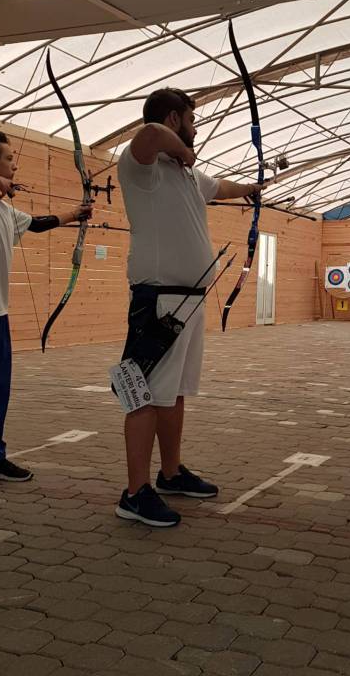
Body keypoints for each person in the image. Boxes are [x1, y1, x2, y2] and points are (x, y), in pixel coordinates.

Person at [115, 88, 265, 527]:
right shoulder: (141, 165)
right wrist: (181, 148)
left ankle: (170, 473)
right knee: (144, 393)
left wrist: (253, 188)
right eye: (191, 120)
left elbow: (219, 187)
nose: (196, 129)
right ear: (176, 119)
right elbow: (149, 133)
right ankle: (134, 492)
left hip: (188, 299)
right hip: (159, 299)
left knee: (173, 391)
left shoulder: (183, 175)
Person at [0, 131, 92, 502]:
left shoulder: (4, 211)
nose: (15, 163)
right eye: (10, 158)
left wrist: (77, 213)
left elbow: (40, 223)